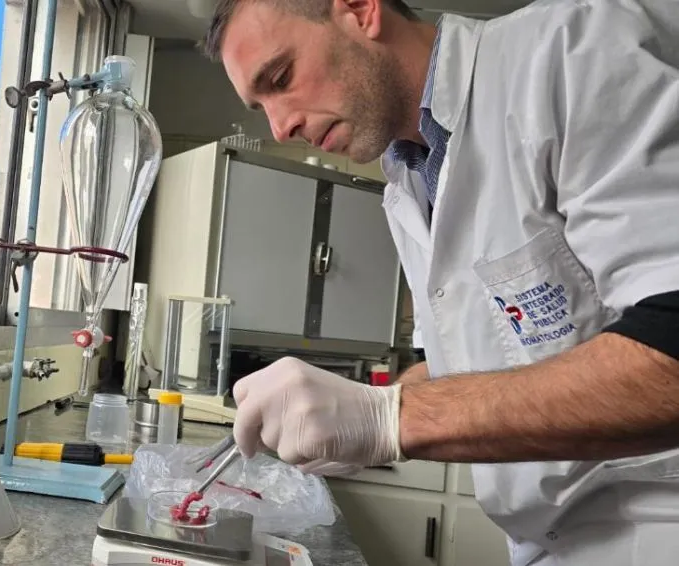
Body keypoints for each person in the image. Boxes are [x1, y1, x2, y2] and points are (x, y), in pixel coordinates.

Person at [200, 0, 679, 564]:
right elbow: (480, 359)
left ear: (359, 9)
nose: (282, 127)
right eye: (261, 107)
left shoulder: (571, 52)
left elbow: (669, 345)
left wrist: (392, 419)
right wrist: (362, 404)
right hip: (551, 545)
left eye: (281, 78)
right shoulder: (409, 177)